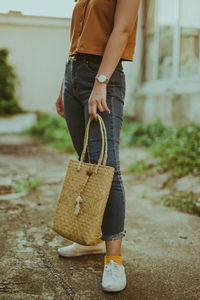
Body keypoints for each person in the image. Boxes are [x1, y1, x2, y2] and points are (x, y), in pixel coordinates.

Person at [56, 0, 140, 293]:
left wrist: (101, 82)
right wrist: (63, 87)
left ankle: (114, 258)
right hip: (74, 73)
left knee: (107, 168)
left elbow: (122, 30)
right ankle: (89, 238)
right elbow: (78, 39)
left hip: (103, 74)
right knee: (87, 162)